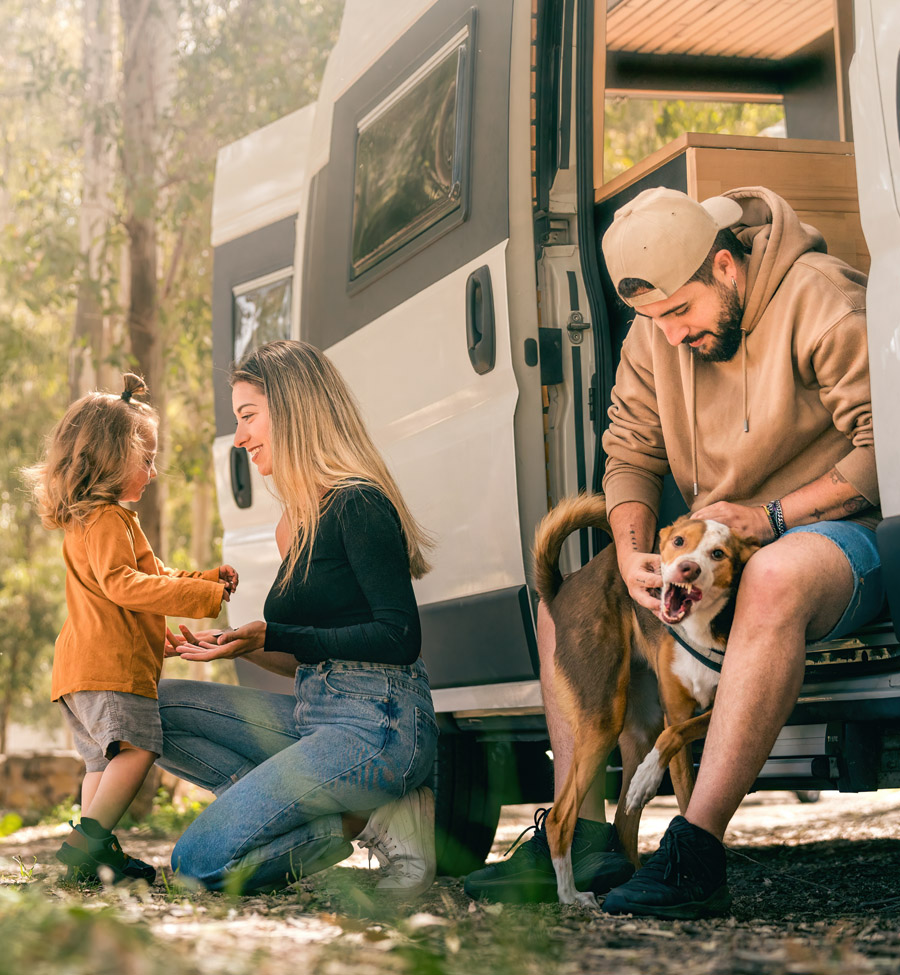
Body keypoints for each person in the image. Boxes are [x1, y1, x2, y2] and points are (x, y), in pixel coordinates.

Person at [465, 185, 883, 917]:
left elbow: (889, 450)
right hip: (726, 538)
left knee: (774, 579)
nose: (673, 334)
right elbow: (628, 451)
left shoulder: (818, 298)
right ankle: (588, 836)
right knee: (565, 605)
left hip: (841, 530)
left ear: (725, 266)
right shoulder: (656, 332)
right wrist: (629, 555)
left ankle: (695, 848)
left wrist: (772, 516)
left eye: (681, 312)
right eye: (655, 320)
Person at [158, 339, 438, 895]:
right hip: (316, 713)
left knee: (193, 865)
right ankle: (326, 815)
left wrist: (275, 631)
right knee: (149, 708)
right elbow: (311, 652)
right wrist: (240, 645)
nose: (239, 438)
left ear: (291, 408)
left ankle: (365, 819)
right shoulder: (294, 524)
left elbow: (400, 636)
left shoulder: (358, 502)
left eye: (247, 416)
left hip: (378, 725)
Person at [25, 373, 234, 884]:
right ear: (112, 458)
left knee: (101, 761)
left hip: (80, 666)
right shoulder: (107, 519)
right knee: (136, 751)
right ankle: (83, 848)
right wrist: (202, 597)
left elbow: (151, 575)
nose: (154, 470)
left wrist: (205, 579)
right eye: (147, 459)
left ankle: (97, 853)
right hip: (109, 666)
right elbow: (125, 585)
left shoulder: (94, 519)